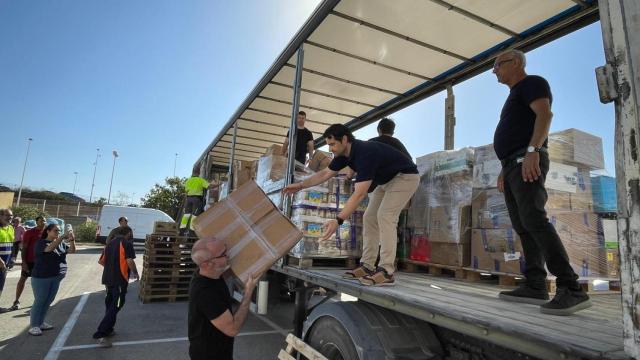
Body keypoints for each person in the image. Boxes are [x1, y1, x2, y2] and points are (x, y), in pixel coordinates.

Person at [492, 49, 591, 315]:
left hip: (527, 159)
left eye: (498, 64)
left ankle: (570, 287)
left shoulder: (532, 82)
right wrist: (505, 167)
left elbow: (544, 116)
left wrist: (533, 151)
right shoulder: (514, 94)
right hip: (512, 164)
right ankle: (535, 283)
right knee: (522, 224)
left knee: (534, 218)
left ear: (516, 63)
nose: (494, 70)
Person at [283, 124, 419, 286]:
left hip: (405, 177)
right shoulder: (344, 156)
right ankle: (367, 265)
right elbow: (326, 173)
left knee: (385, 216)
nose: (330, 148)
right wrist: (300, 185)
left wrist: (338, 220)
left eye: (333, 144)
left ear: (345, 139)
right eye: (329, 145)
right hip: (386, 181)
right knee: (369, 217)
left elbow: (360, 194)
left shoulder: (365, 152)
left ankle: (386, 271)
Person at [188, 237, 257, 360]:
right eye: (223, 254)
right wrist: (248, 293)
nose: (228, 256)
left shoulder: (208, 273)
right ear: (207, 264)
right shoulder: (205, 293)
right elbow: (232, 329)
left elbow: (225, 271)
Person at [93, 225, 138, 347]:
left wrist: (111, 269)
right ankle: (102, 333)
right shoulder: (126, 244)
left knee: (110, 303)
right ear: (128, 233)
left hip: (108, 280)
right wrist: (135, 273)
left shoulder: (110, 243)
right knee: (117, 304)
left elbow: (101, 261)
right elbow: (129, 260)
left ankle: (109, 329)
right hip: (119, 280)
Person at [29, 222, 76, 336]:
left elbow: (72, 251)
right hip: (42, 277)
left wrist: (72, 240)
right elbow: (48, 249)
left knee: (48, 300)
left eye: (59, 231)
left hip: (55, 277)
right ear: (48, 231)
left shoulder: (60, 243)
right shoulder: (41, 242)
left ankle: (40, 323)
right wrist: (61, 237)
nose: (58, 232)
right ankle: (34, 325)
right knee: (40, 301)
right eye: (55, 230)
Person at [9, 216, 46, 311]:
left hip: (41, 263)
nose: (43, 222)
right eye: (41, 221)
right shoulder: (29, 233)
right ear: (36, 222)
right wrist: (24, 262)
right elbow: (24, 248)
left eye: (44, 221)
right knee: (22, 280)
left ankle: (38, 301)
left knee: (40, 283)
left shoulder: (46, 233)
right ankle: (16, 301)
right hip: (29, 261)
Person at [181, 168, 217, 233]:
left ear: (192, 172)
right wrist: (219, 184)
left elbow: (186, 191)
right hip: (196, 200)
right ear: (198, 173)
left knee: (186, 215)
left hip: (188, 199)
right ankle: (191, 232)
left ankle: (181, 230)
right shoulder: (200, 180)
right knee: (194, 216)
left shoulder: (188, 181)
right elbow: (209, 187)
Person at [0, 208, 15, 312]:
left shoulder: (11, 228)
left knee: (0, 285)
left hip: (5, 264)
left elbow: (12, 245)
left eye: (11, 215)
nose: (10, 217)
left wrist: (13, 258)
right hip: (0, 262)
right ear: (0, 216)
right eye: (7, 215)